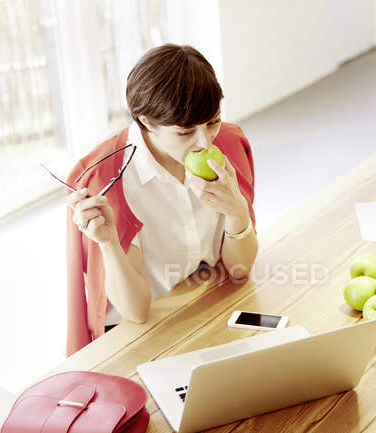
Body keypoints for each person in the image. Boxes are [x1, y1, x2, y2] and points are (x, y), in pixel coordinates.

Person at [64, 44, 258, 356]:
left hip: (202, 298)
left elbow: (239, 268)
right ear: (146, 122)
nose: (204, 142)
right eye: (185, 133)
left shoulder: (230, 145)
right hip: (141, 331)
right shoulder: (107, 180)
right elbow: (136, 312)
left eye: (212, 122)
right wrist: (109, 241)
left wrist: (236, 211)